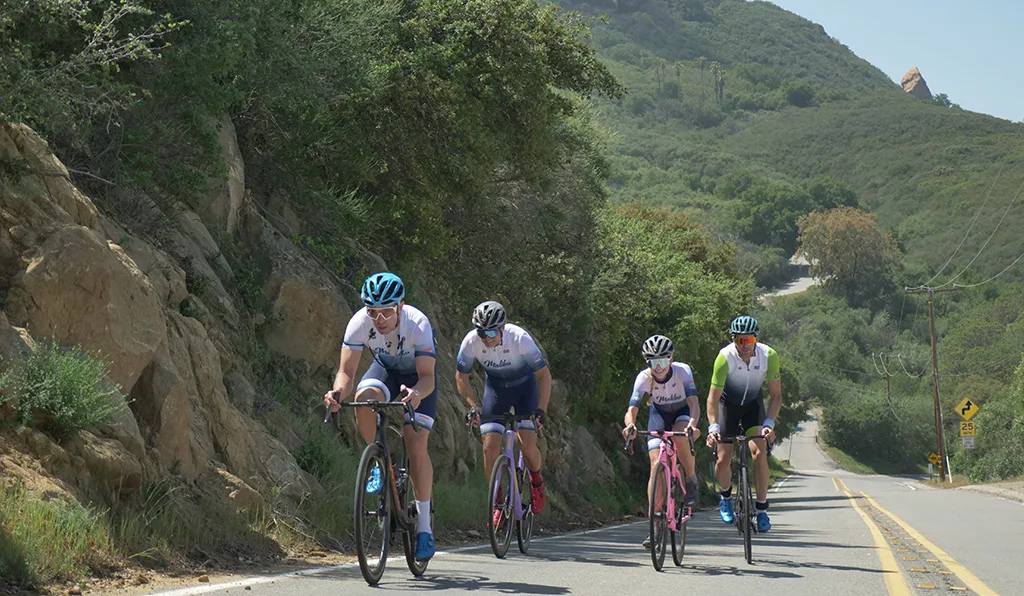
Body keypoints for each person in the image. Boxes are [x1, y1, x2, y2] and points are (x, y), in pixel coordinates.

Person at [323, 272, 438, 560]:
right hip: (386, 371)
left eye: (386, 311)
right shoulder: (359, 323)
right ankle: (378, 460)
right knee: (363, 401)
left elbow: (428, 378)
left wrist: (416, 395)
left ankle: (424, 528)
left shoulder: (418, 324)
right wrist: (337, 393)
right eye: (373, 312)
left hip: (418, 379)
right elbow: (346, 373)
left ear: (400, 306)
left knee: (415, 443)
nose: (379, 319)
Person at [457, 301, 551, 526]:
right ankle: (497, 503)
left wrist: (540, 410)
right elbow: (461, 378)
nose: (486, 338)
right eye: (482, 332)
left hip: (524, 390)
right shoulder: (471, 342)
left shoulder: (520, 339)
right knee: (489, 447)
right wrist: (472, 406)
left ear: (502, 328)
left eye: (491, 332)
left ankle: (536, 481)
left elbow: (544, 376)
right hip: (496, 390)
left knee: (527, 444)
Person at [621, 334, 701, 550]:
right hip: (658, 414)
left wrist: (692, 424)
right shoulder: (644, 378)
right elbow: (632, 410)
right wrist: (630, 425)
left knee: (679, 435)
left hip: (682, 414)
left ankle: (691, 479)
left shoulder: (683, 371)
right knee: (655, 464)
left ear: (671, 359)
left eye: (663, 361)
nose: (658, 368)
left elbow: (694, 403)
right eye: (653, 362)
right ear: (648, 363)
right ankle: (655, 523)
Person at [705, 315, 782, 533]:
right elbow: (712, 398)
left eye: (749, 341)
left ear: (756, 339)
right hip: (727, 406)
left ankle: (762, 509)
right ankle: (726, 496)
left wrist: (769, 423)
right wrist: (713, 427)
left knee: (759, 453)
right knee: (723, 458)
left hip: (752, 407)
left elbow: (776, 395)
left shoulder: (769, 356)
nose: (745, 346)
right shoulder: (724, 357)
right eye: (740, 341)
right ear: (733, 340)